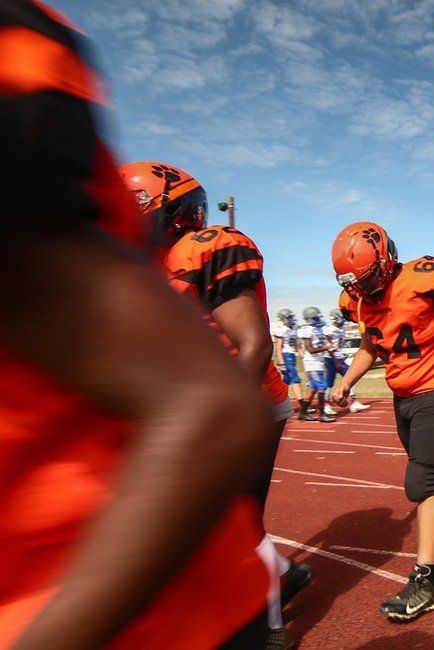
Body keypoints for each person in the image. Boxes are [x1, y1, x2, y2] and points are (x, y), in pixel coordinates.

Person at [0, 2, 272, 646]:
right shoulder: (154, 254)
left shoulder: (209, 246)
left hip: (133, 584)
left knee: (248, 524)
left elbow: (219, 391)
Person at [118, 161, 310, 647]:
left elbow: (253, 344)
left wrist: (215, 428)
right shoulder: (154, 267)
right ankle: (279, 576)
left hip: (247, 399)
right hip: (208, 403)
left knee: (233, 519)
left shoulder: (206, 247)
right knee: (222, 522)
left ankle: (269, 624)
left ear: (171, 208)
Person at [329, 221, 434, 621]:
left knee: (421, 479)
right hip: (403, 394)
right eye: (355, 283)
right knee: (429, 463)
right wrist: (346, 380)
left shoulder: (423, 280)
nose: (362, 289)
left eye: (367, 278)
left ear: (387, 259)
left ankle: (424, 580)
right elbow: (370, 345)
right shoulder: (359, 301)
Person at [321, 308, 371, 416]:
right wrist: (336, 361)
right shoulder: (329, 330)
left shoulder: (339, 329)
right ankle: (326, 405)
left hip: (338, 357)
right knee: (330, 382)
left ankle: (352, 402)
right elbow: (329, 347)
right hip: (332, 359)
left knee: (349, 377)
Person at [296, 306, 336, 423]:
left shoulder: (317, 329)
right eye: (316, 317)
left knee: (313, 388)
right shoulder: (306, 330)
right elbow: (310, 349)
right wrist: (326, 347)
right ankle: (322, 414)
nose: (319, 319)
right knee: (322, 386)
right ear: (311, 318)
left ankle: (303, 413)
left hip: (318, 362)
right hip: (312, 363)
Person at [272, 309, 303, 400]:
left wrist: (305, 357)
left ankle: (279, 400)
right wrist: (282, 363)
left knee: (287, 381)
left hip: (292, 356)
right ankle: (303, 406)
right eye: (289, 317)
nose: (291, 319)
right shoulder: (281, 330)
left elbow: (297, 346)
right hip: (286, 356)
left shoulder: (293, 330)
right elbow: (278, 348)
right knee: (295, 379)